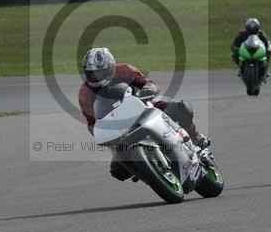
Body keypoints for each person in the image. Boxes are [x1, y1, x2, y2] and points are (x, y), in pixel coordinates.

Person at [78, 47, 211, 181]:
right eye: (92, 73)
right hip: (119, 128)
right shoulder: (85, 93)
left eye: (100, 72)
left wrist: (148, 90)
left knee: (181, 108)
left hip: (143, 106)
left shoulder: (125, 70)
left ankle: (195, 138)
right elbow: (92, 123)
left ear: (110, 67)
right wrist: (101, 134)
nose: (96, 76)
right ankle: (149, 170)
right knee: (118, 171)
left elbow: (150, 83)